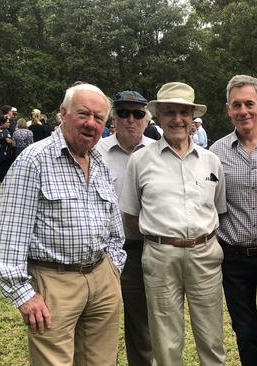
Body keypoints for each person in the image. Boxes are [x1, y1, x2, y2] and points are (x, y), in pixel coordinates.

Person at [0, 83, 126, 365]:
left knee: (102, 361)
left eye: (99, 118)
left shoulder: (100, 163)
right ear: (63, 114)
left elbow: (115, 229)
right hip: (54, 282)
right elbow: (9, 237)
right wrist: (24, 295)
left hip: (102, 278)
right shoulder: (34, 160)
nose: (91, 123)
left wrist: (112, 270)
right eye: (83, 114)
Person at [120, 82, 227, 366]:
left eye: (184, 112)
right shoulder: (140, 161)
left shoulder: (211, 161)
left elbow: (217, 208)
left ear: (193, 117)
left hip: (205, 254)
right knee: (166, 341)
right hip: (159, 255)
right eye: (170, 112)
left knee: (212, 337)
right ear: (158, 116)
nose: (177, 119)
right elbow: (131, 216)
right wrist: (161, 239)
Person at [209, 74, 257, 365]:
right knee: (245, 330)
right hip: (234, 257)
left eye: (249, 103)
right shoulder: (215, 152)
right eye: (236, 105)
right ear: (228, 108)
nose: (243, 111)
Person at [96, 90, 156, 366]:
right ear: (114, 118)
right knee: (98, 329)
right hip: (100, 253)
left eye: (137, 113)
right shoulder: (95, 151)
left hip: (141, 250)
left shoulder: (158, 153)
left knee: (141, 328)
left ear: (146, 119)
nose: (130, 119)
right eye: (123, 113)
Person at [0, 115, 14, 182]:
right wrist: (13, 141)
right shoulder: (6, 131)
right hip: (4, 154)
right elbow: (9, 141)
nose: (9, 124)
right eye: (7, 122)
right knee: (4, 168)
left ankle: (0, 178)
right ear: (2, 123)